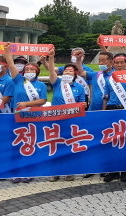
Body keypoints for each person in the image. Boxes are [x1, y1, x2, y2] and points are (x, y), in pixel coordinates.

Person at [4, 44, 48, 183]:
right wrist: (7, 52)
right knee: (17, 144)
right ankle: (16, 171)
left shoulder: (41, 85)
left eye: (32, 69)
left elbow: (42, 100)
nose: (28, 71)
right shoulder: (18, 80)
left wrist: (27, 104)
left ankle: (30, 170)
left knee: (31, 144)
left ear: (37, 72)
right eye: (27, 69)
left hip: (34, 117)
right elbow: (11, 65)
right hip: (18, 117)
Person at [46, 49, 87, 182]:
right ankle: (56, 171)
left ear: (75, 73)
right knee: (57, 145)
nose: (67, 72)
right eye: (66, 71)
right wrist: (51, 58)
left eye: (70, 71)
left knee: (71, 145)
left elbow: (82, 103)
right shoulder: (58, 84)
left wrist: (83, 105)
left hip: (72, 121)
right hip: (56, 120)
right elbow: (51, 72)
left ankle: (70, 171)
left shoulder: (79, 87)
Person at [102, 53, 126, 183]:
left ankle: (124, 172)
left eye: (122, 62)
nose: (119, 65)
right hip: (112, 109)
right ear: (113, 63)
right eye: (117, 63)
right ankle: (113, 171)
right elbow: (106, 97)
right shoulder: (109, 78)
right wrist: (104, 112)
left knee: (125, 141)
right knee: (112, 141)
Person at [77, 51, 115, 179]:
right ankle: (92, 167)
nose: (101, 63)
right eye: (99, 60)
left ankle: (106, 167)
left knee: (107, 141)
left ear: (111, 61)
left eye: (103, 60)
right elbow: (81, 73)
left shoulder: (116, 75)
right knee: (93, 140)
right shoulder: (96, 74)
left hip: (109, 111)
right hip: (94, 111)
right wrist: (78, 60)